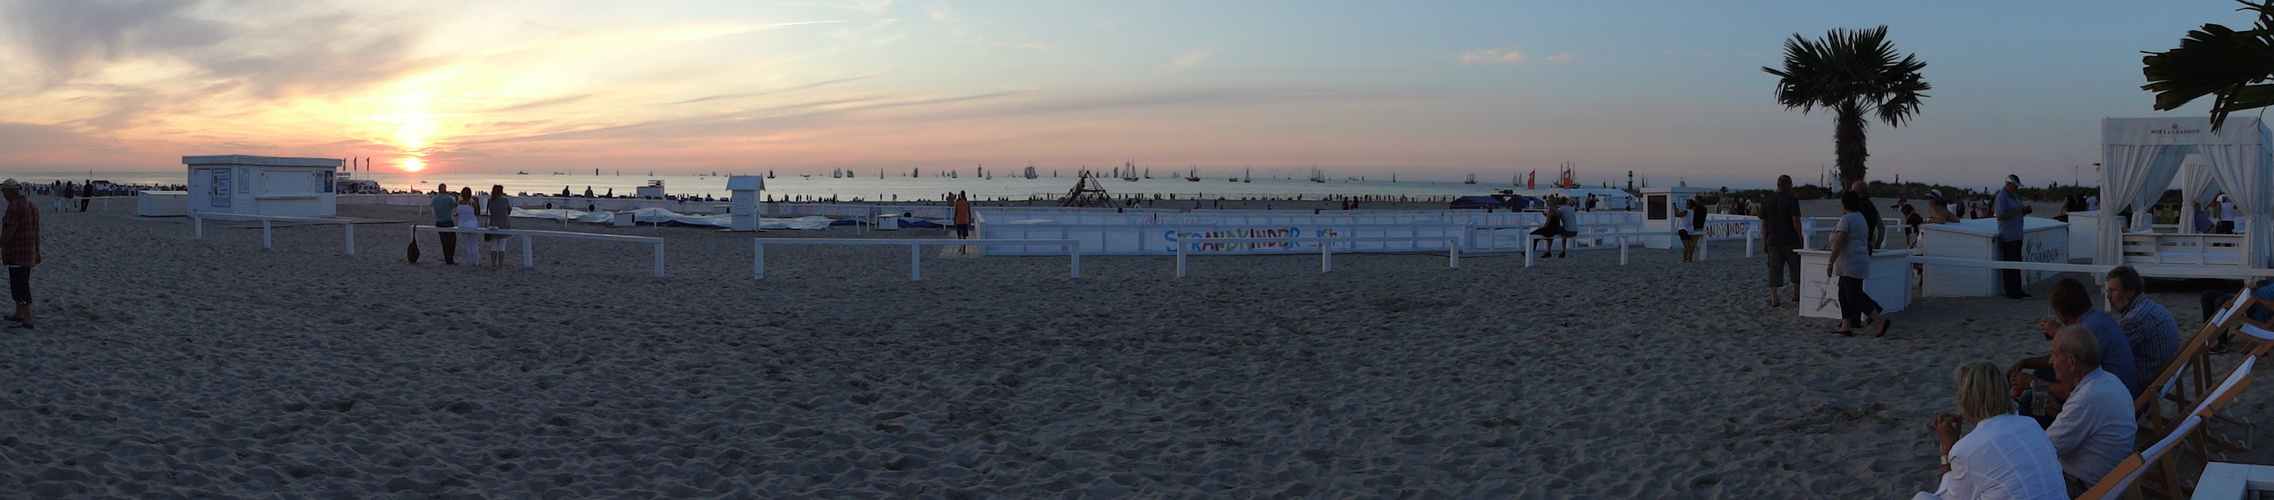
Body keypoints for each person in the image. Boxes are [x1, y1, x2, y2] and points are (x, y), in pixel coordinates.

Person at [1916, 361, 2067, 500]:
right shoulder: (2030, 424)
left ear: (1968, 398)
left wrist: (1947, 450)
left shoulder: (1965, 450)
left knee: (1922, 497)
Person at [2009, 279, 2143, 414]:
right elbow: (2062, 361)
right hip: (2118, 391)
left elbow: (2072, 391)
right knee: (2041, 373)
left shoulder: (2086, 333)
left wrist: (2034, 383)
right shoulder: (2096, 318)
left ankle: (2042, 432)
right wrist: (2025, 363)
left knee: (2030, 400)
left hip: (2111, 405)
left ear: (2060, 313)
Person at [2034, 326, 2136, 489]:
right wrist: (2059, 413)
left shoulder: (2087, 397)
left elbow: (2045, 451)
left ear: (2071, 361)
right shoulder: (2109, 380)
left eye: (2054, 354)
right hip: (2111, 480)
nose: (2050, 361)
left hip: (2085, 486)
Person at [2105, 266, 2180, 383]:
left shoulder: (2135, 319)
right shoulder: (2149, 307)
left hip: (2145, 385)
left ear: (2130, 291)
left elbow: (2108, 353)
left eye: (2113, 290)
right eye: (2108, 291)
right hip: (2164, 377)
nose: (2109, 296)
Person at [1829, 192, 1890, 336]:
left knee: (1853, 296)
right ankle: (1846, 326)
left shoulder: (1846, 219)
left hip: (1850, 263)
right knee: (1843, 294)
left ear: (1844, 204)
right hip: (1855, 261)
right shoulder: (1860, 217)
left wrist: (1830, 262)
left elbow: (1839, 241)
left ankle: (1879, 319)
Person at [0, 180, 40, 329]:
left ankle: (28, 319)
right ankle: (19, 314)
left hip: (17, 252)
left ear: (10, 191)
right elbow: (37, 230)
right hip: (29, 251)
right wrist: (38, 251)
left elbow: (9, 231)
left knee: (20, 286)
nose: (3, 195)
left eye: (3, 192)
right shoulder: (31, 204)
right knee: (21, 282)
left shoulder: (14, 207)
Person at [1761, 176, 1804, 307]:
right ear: (1788, 185)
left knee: (1774, 268)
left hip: (1773, 240)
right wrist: (1799, 236)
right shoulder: (1792, 200)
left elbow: (1764, 225)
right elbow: (1795, 219)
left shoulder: (1767, 201)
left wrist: (1764, 242)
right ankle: (1796, 294)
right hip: (1790, 239)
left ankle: (1774, 298)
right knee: (1795, 267)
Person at [2199, 279, 2274, 353]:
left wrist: (2255, 297)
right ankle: (2207, 335)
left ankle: (2220, 342)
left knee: (2222, 301)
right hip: (2250, 300)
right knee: (2206, 295)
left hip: (2257, 311)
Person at [1995, 175, 2033, 299]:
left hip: (2017, 234)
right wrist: (2018, 210)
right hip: (2008, 235)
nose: (2016, 189)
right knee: (2010, 264)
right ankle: (2010, 291)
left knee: (2017, 263)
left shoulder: (2015, 196)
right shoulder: (2001, 197)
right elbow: (2000, 216)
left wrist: (2024, 211)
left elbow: (2019, 212)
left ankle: (2018, 288)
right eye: (2015, 186)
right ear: (2008, 185)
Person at [430, 184, 459, 265]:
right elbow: (455, 205)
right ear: (445, 190)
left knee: (444, 242)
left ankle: (447, 259)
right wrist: (456, 197)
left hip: (438, 222)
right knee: (452, 241)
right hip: (447, 221)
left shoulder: (435, 199)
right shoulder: (447, 199)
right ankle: (450, 259)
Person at [485, 185, 512, 270]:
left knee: (494, 245)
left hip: (493, 223)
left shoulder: (490, 200)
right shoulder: (505, 200)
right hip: (503, 223)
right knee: (502, 245)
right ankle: (500, 264)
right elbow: (509, 211)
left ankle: (493, 264)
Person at [1850, 180, 1883, 249]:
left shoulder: (1856, 207)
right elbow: (1882, 228)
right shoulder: (1872, 207)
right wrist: (1877, 245)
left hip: (1857, 246)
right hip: (1869, 244)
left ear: (1855, 191)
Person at [454, 189, 481, 266]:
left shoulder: (459, 203)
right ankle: (476, 262)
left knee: (468, 244)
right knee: (474, 244)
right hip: (472, 225)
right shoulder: (471, 204)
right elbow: (477, 213)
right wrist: (477, 202)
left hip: (462, 225)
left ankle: (470, 261)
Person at [1676, 197, 1704, 263]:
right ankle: (1690, 259)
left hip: (1684, 229)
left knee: (1686, 246)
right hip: (1690, 229)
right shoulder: (1692, 211)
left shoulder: (1687, 211)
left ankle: (1685, 259)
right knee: (1690, 245)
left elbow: (1677, 214)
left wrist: (1674, 207)